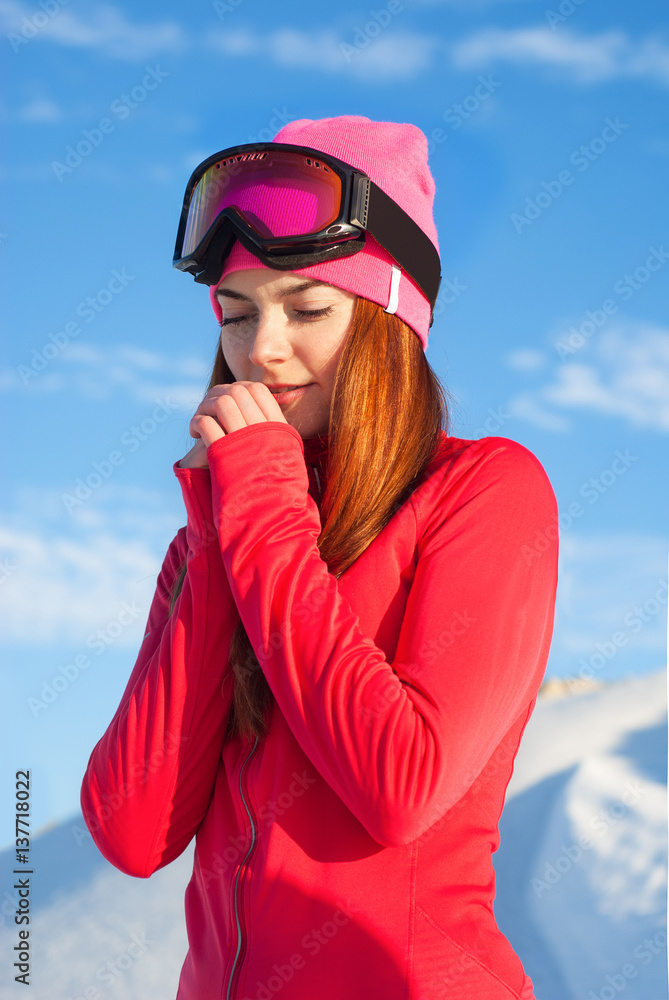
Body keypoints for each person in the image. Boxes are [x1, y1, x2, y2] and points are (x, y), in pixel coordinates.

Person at [80, 115, 559, 999]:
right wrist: (222, 539)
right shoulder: (215, 539)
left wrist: (260, 505)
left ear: (392, 322)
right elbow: (133, 831)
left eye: (306, 309)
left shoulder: (486, 489)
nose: (259, 350)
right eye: (235, 313)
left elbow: (401, 787)